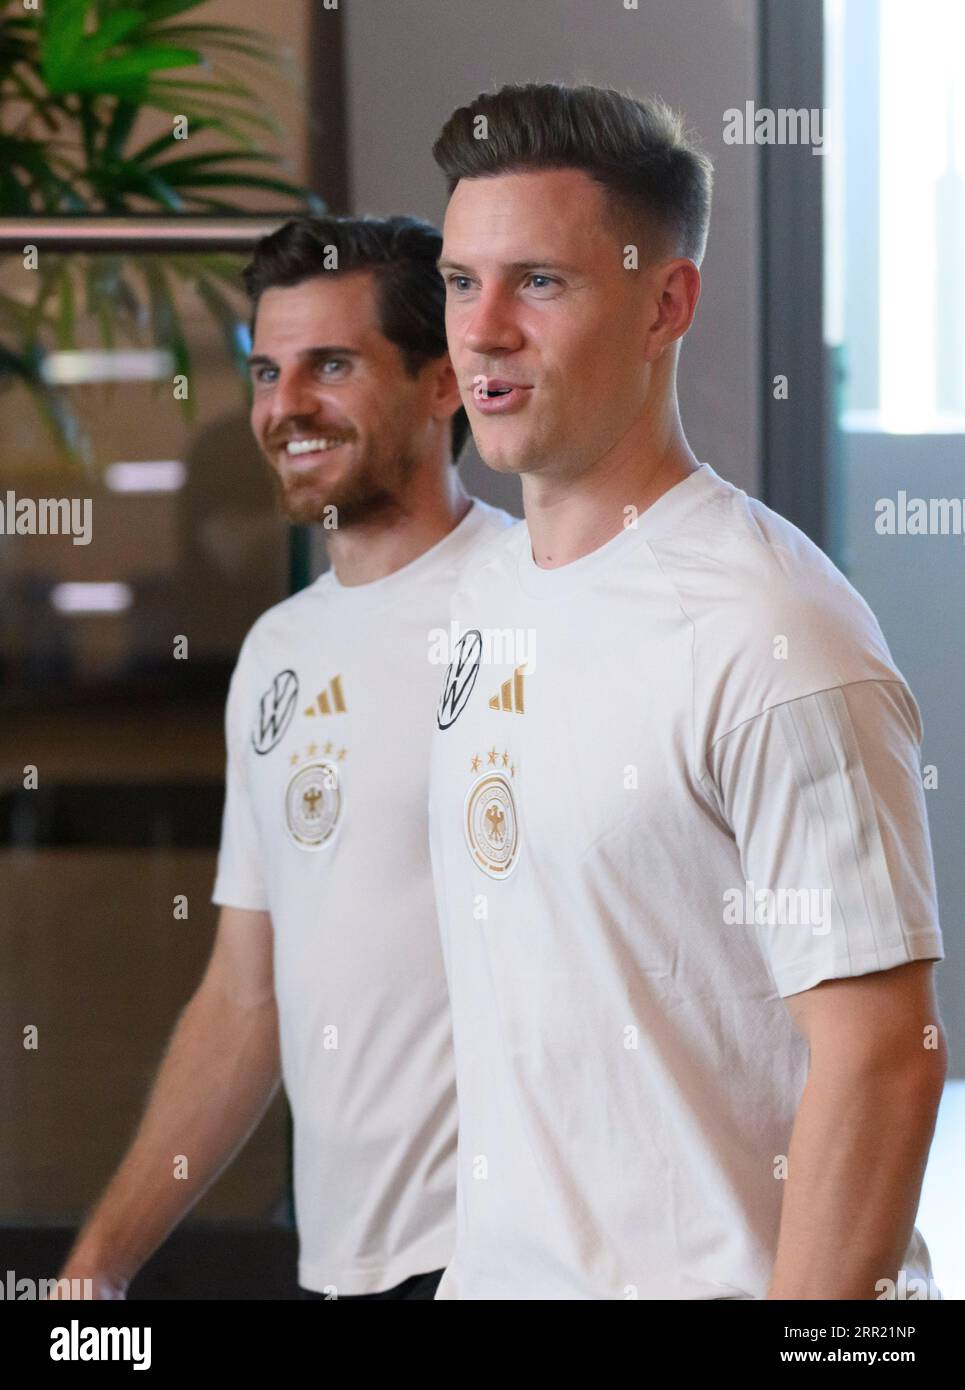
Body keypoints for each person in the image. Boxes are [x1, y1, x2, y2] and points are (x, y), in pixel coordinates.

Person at [426, 82, 948, 1300]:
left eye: (538, 283)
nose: (484, 329)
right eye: (460, 282)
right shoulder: (485, 600)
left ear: (665, 302)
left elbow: (881, 1059)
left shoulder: (772, 631)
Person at [56, 214, 516, 1301]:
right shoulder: (278, 649)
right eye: (267, 369)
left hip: (503, 1259)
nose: (284, 406)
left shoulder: (531, 607)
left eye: (331, 366)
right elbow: (241, 999)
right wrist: (96, 1269)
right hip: (341, 1259)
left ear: (442, 382)